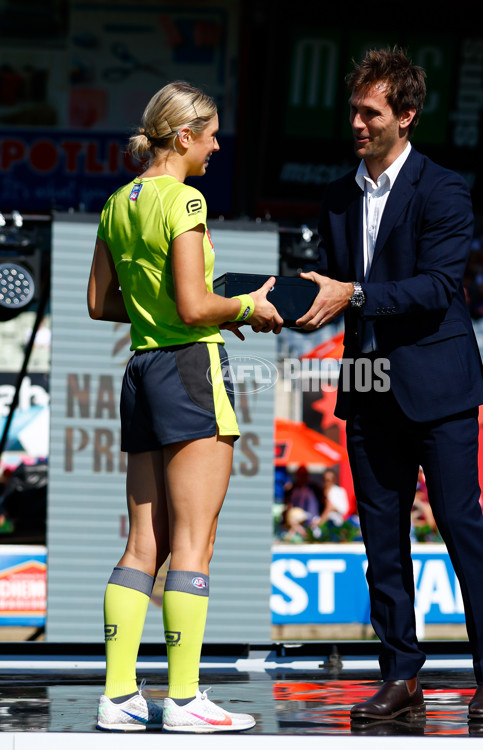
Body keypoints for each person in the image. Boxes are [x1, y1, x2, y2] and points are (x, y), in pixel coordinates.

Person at [296, 47, 483, 722]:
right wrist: (271, 310)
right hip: (366, 384)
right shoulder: (336, 196)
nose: (357, 123)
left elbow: (436, 288)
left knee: (459, 524)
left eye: (371, 112)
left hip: (439, 385)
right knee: (380, 540)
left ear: (407, 115)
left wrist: (350, 295)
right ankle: (400, 676)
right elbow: (326, 291)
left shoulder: (444, 188)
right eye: (354, 111)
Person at [87, 81, 283, 733]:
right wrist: (248, 306)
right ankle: (184, 698)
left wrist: (170, 309)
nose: (218, 145)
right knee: (194, 544)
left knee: (143, 543)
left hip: (141, 368)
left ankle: (118, 698)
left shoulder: (119, 202)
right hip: (190, 366)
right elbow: (199, 308)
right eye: (211, 134)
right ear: (183, 136)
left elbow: (99, 303)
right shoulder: (185, 198)